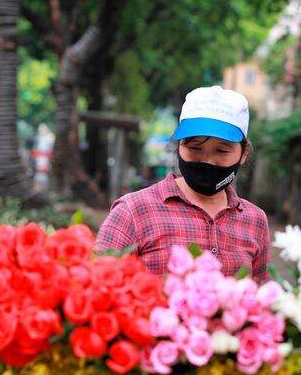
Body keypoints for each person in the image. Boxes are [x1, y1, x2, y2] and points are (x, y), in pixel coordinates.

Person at [95, 86, 270, 282]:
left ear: (243, 154)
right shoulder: (132, 212)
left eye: (221, 151)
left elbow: (260, 298)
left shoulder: (256, 221)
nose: (207, 160)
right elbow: (99, 286)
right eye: (195, 147)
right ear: (178, 146)